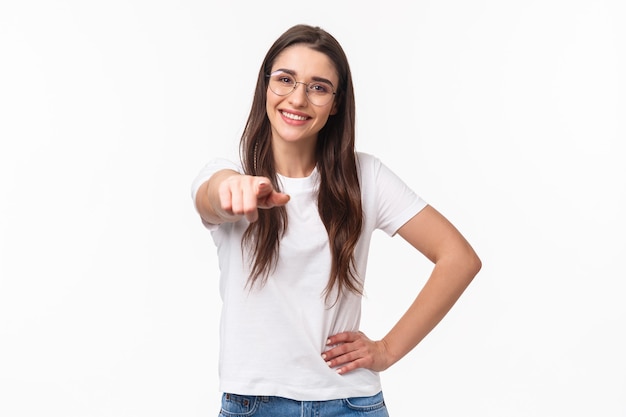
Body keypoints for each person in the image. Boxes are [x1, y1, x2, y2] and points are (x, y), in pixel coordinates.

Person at [191, 23, 482, 417]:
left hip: (349, 403)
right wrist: (230, 190)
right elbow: (212, 197)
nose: (298, 98)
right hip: (253, 404)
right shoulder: (230, 172)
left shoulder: (366, 178)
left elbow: (459, 258)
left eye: (318, 87)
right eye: (285, 80)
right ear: (265, 87)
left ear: (336, 102)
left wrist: (387, 349)